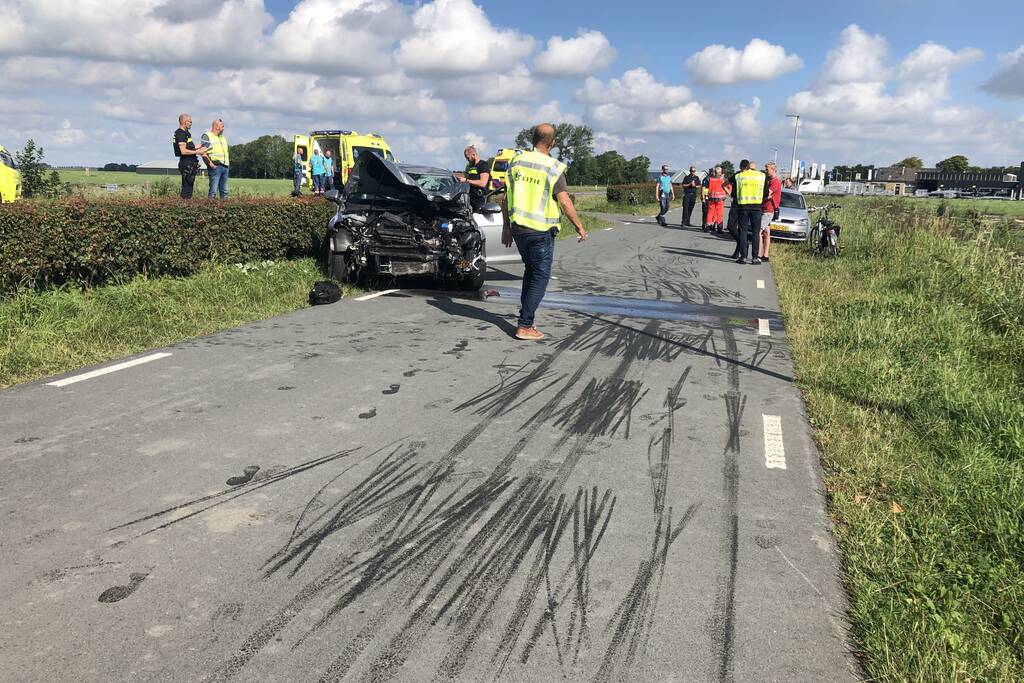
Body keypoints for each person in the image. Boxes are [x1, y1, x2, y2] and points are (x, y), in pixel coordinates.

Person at [502, 123, 587, 341]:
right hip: (540, 230)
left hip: (519, 228)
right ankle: (525, 325)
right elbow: (565, 200)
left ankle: (526, 317)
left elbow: (506, 198)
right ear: (553, 143)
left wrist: (506, 227)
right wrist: (578, 225)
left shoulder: (516, 162)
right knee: (540, 276)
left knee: (530, 272)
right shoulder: (552, 166)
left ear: (532, 139)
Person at [731, 159, 770, 264]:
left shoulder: (739, 176)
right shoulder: (761, 176)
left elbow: (733, 194)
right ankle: (755, 257)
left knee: (743, 231)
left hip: (743, 207)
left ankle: (743, 257)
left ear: (745, 167)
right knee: (756, 232)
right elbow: (766, 193)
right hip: (756, 207)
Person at [172, 113, 208, 199]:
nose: (191, 123)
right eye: (190, 122)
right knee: (187, 189)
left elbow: (189, 147)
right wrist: (198, 152)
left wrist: (200, 146)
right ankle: (185, 207)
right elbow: (183, 151)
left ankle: (186, 205)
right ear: (184, 122)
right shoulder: (181, 133)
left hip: (189, 162)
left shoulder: (186, 133)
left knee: (189, 187)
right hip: (187, 163)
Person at [759, 162, 782, 261]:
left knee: (758, 231)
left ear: (773, 170)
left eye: (767, 169)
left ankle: (758, 254)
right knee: (766, 232)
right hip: (766, 208)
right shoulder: (770, 180)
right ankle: (765, 255)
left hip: (768, 209)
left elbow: (768, 194)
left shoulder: (775, 182)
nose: (766, 171)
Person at [201, 118, 229, 200]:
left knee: (225, 191)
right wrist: (211, 165)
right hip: (215, 166)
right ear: (217, 127)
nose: (224, 128)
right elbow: (203, 152)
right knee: (213, 191)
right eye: (222, 126)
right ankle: (210, 210)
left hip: (225, 167)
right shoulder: (207, 136)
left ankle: (224, 210)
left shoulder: (222, 137)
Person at [456, 145, 491, 211]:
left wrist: (466, 180)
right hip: (471, 199)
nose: (467, 160)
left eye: (468, 158)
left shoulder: (483, 165)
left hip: (481, 200)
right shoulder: (470, 166)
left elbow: (482, 183)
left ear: (473, 155)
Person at [706, 166, 730, 233]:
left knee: (710, 213)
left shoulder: (710, 179)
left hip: (711, 198)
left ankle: (708, 227)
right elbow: (728, 186)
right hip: (720, 199)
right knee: (719, 214)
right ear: (720, 172)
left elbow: (706, 187)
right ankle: (719, 228)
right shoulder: (723, 179)